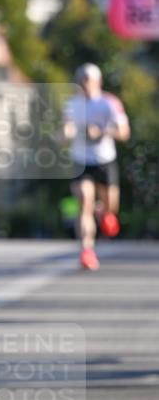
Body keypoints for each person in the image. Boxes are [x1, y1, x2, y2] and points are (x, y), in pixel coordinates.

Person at [63, 63, 130, 270]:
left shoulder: (109, 103)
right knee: (84, 203)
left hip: (104, 160)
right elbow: (65, 129)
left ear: (97, 81)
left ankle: (104, 212)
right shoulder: (72, 104)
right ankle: (86, 251)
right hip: (81, 161)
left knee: (111, 209)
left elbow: (124, 133)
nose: (84, 84)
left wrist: (101, 132)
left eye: (88, 80)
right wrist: (65, 134)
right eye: (81, 79)